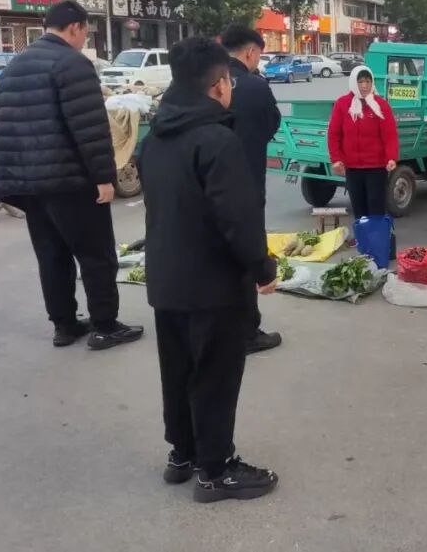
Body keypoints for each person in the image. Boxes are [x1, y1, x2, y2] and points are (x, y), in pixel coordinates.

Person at [138, 37, 279, 503]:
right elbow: (237, 218)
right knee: (215, 376)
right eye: (230, 81)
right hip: (213, 285)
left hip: (166, 278)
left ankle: (183, 454)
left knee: (177, 371)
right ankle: (215, 471)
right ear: (219, 85)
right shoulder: (217, 140)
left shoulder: (154, 139)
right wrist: (261, 267)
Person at [0, 0, 143, 349]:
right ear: (75, 27)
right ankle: (105, 325)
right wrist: (103, 178)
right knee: (96, 255)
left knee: (52, 255)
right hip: (69, 181)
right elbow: (90, 129)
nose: (84, 38)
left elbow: (4, 122)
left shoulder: (16, 65)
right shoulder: (72, 63)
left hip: (28, 182)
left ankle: (64, 325)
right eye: (85, 31)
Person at [221, 25, 283, 355]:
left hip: (205, 185)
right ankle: (246, 332)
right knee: (245, 254)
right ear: (250, 52)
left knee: (216, 255)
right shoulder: (255, 87)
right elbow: (272, 123)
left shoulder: (205, 82)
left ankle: (220, 325)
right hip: (245, 182)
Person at [328, 65, 399, 217]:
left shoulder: (381, 105)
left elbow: (390, 135)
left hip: (376, 167)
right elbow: (334, 134)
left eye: (368, 81)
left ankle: (376, 232)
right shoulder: (342, 104)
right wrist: (336, 159)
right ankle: (362, 232)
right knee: (359, 209)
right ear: (354, 83)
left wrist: (391, 157)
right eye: (360, 82)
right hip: (352, 168)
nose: (365, 86)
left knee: (376, 208)